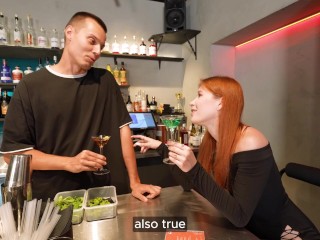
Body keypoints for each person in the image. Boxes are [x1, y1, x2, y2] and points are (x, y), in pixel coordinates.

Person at [132, 76, 320, 239]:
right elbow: (191, 186)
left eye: (199, 95)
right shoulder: (211, 141)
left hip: (284, 232)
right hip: (250, 232)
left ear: (221, 102)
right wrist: (163, 149)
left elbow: (239, 215)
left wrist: (194, 169)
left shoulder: (250, 141)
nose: (192, 102)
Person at [0, 11, 160, 202]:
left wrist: (135, 181)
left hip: (108, 195)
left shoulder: (105, 81)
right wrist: (70, 163)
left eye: (101, 46)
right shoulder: (30, 86)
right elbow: (13, 155)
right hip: (55, 201)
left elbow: (123, 130)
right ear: (69, 33)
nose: (97, 51)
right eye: (92, 41)